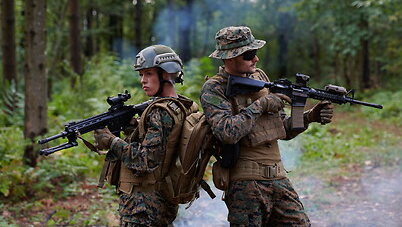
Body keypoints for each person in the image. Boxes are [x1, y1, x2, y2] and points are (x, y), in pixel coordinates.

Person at [200, 26, 334, 227]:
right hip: (245, 185)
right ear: (229, 58)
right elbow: (227, 132)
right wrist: (261, 105)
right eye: (249, 55)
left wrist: (309, 116)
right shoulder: (214, 88)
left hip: (278, 178)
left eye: (255, 53)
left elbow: (283, 129)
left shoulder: (261, 79)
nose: (256, 59)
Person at [93, 45, 198, 226]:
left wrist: (111, 141)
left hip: (143, 207)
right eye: (141, 74)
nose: (143, 80)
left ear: (166, 74)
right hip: (162, 200)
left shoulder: (159, 112)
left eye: (148, 74)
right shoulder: (182, 105)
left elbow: (145, 161)